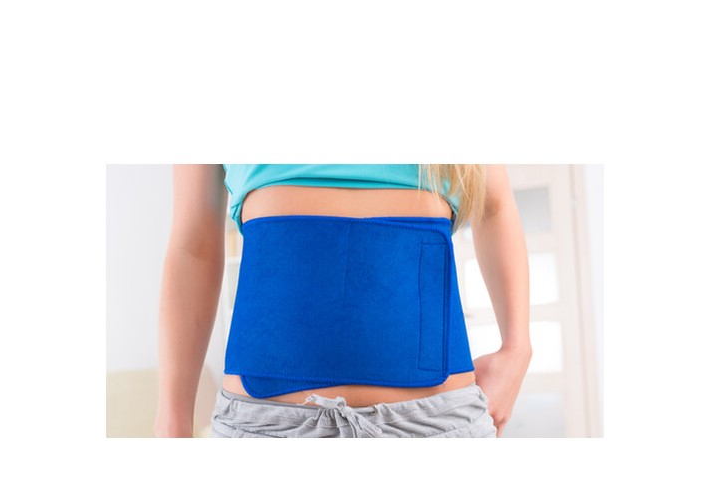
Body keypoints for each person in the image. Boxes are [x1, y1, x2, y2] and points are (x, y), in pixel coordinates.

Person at [154, 165, 532, 438]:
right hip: (264, 425)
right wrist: (173, 416)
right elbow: (194, 247)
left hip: (435, 423)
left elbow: (494, 206)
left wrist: (517, 350)